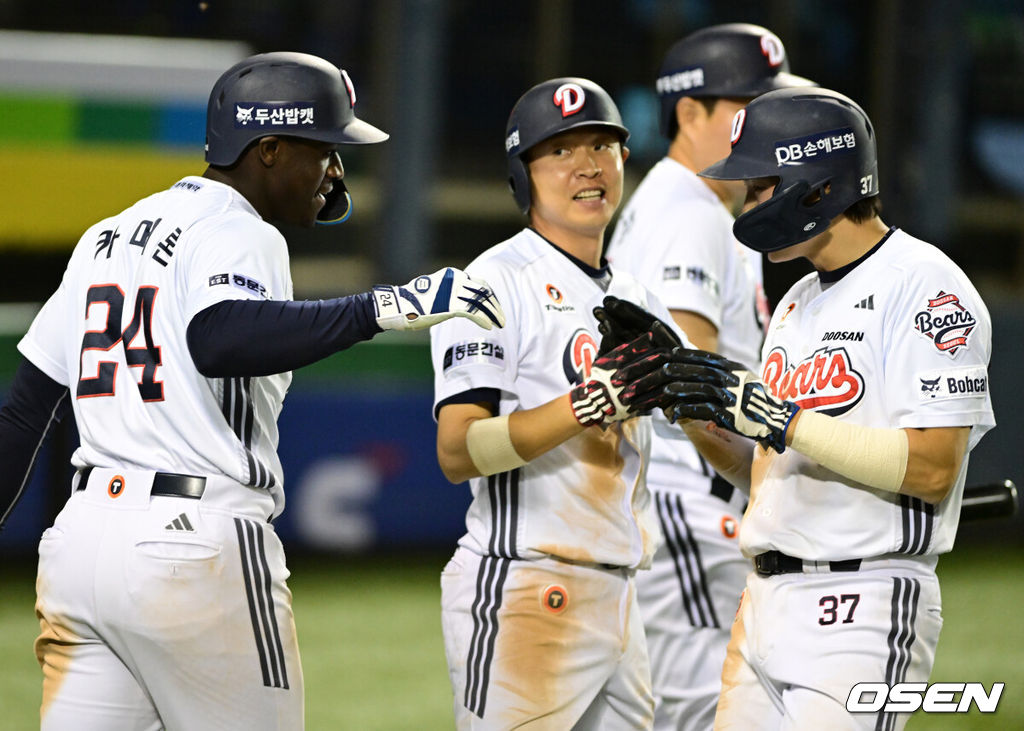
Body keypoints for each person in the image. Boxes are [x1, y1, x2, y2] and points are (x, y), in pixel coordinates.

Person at [0, 51, 504, 730]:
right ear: (268, 149)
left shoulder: (104, 237)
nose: (335, 170)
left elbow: (24, 413)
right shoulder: (240, 228)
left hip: (81, 545)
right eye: (323, 148)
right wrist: (383, 307)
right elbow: (220, 338)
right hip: (192, 543)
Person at [634, 87, 995, 730]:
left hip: (863, 605)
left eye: (760, 185)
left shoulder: (926, 285)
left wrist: (782, 419)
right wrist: (692, 411)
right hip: (764, 599)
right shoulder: (798, 300)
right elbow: (767, 474)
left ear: (818, 186)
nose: (747, 203)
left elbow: (934, 467)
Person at [429, 77, 689, 729]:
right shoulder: (491, 282)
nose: (587, 166)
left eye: (602, 145)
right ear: (523, 175)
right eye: (560, 150)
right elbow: (458, 450)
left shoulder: (637, 295)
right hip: (525, 584)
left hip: (621, 594)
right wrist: (588, 401)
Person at [605, 23, 814, 731]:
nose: (768, 126)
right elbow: (690, 376)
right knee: (705, 713)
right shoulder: (690, 211)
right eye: (748, 108)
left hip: (686, 495)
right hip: (691, 499)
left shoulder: (687, 203)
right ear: (689, 112)